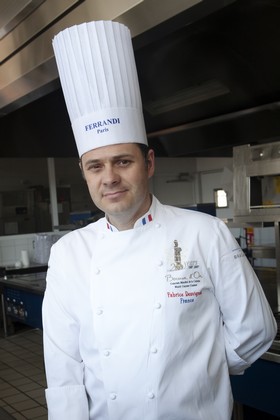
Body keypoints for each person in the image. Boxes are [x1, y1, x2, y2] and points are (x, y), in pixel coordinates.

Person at [42, 21, 277, 420]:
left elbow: (255, 329)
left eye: (122, 161)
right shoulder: (69, 254)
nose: (110, 177)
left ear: (148, 163)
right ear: (84, 173)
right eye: (95, 166)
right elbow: (64, 366)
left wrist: (200, 371)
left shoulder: (205, 233)